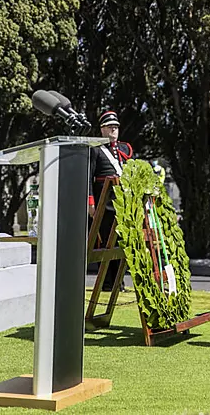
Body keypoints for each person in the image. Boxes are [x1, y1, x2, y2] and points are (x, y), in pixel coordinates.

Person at [88, 110, 133, 291]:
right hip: (104, 204)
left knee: (122, 242)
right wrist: (91, 203)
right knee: (105, 243)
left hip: (122, 203)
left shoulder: (122, 150)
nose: (114, 130)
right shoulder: (96, 150)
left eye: (116, 127)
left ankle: (119, 281)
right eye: (110, 127)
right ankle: (107, 282)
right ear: (102, 129)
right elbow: (88, 178)